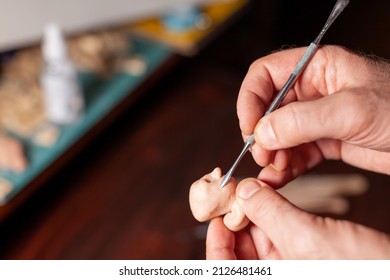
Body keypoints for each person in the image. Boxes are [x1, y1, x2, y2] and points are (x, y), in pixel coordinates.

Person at [206, 45, 390, 259]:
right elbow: (236, 219)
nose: (217, 174)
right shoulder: (236, 208)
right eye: (210, 181)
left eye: (208, 179)